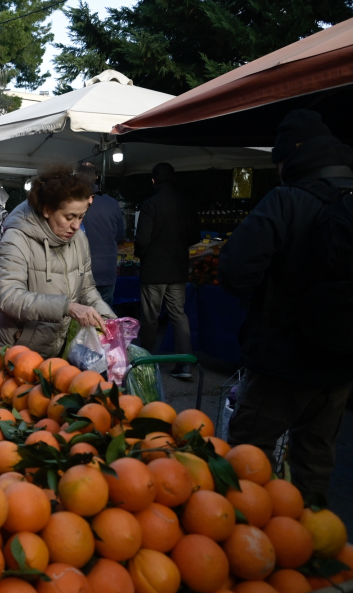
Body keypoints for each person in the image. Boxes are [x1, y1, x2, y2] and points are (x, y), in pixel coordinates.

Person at [219, 110, 353, 498]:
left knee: (248, 456)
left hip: (281, 360)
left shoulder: (287, 200)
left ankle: (248, 528)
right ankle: (309, 529)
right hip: (341, 362)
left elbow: (235, 273)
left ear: (288, 158)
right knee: (316, 457)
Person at [0, 166, 115, 357]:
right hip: (15, 352)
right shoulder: (16, 238)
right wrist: (67, 307)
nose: (76, 225)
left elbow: (86, 289)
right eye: (69, 217)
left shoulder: (79, 239)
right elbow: (9, 297)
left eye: (81, 217)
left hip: (56, 350)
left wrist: (107, 320)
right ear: (47, 210)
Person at [134, 162, 199, 380]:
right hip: (178, 268)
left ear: (153, 181)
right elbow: (194, 236)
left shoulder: (150, 204)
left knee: (150, 317)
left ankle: (145, 362)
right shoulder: (186, 203)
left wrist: (143, 255)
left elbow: (142, 239)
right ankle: (185, 364)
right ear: (174, 179)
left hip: (154, 269)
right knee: (178, 314)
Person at [77, 161, 125, 308]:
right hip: (106, 271)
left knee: (77, 316)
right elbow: (120, 237)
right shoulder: (112, 203)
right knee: (104, 315)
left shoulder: (70, 202)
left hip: (78, 271)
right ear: (96, 177)